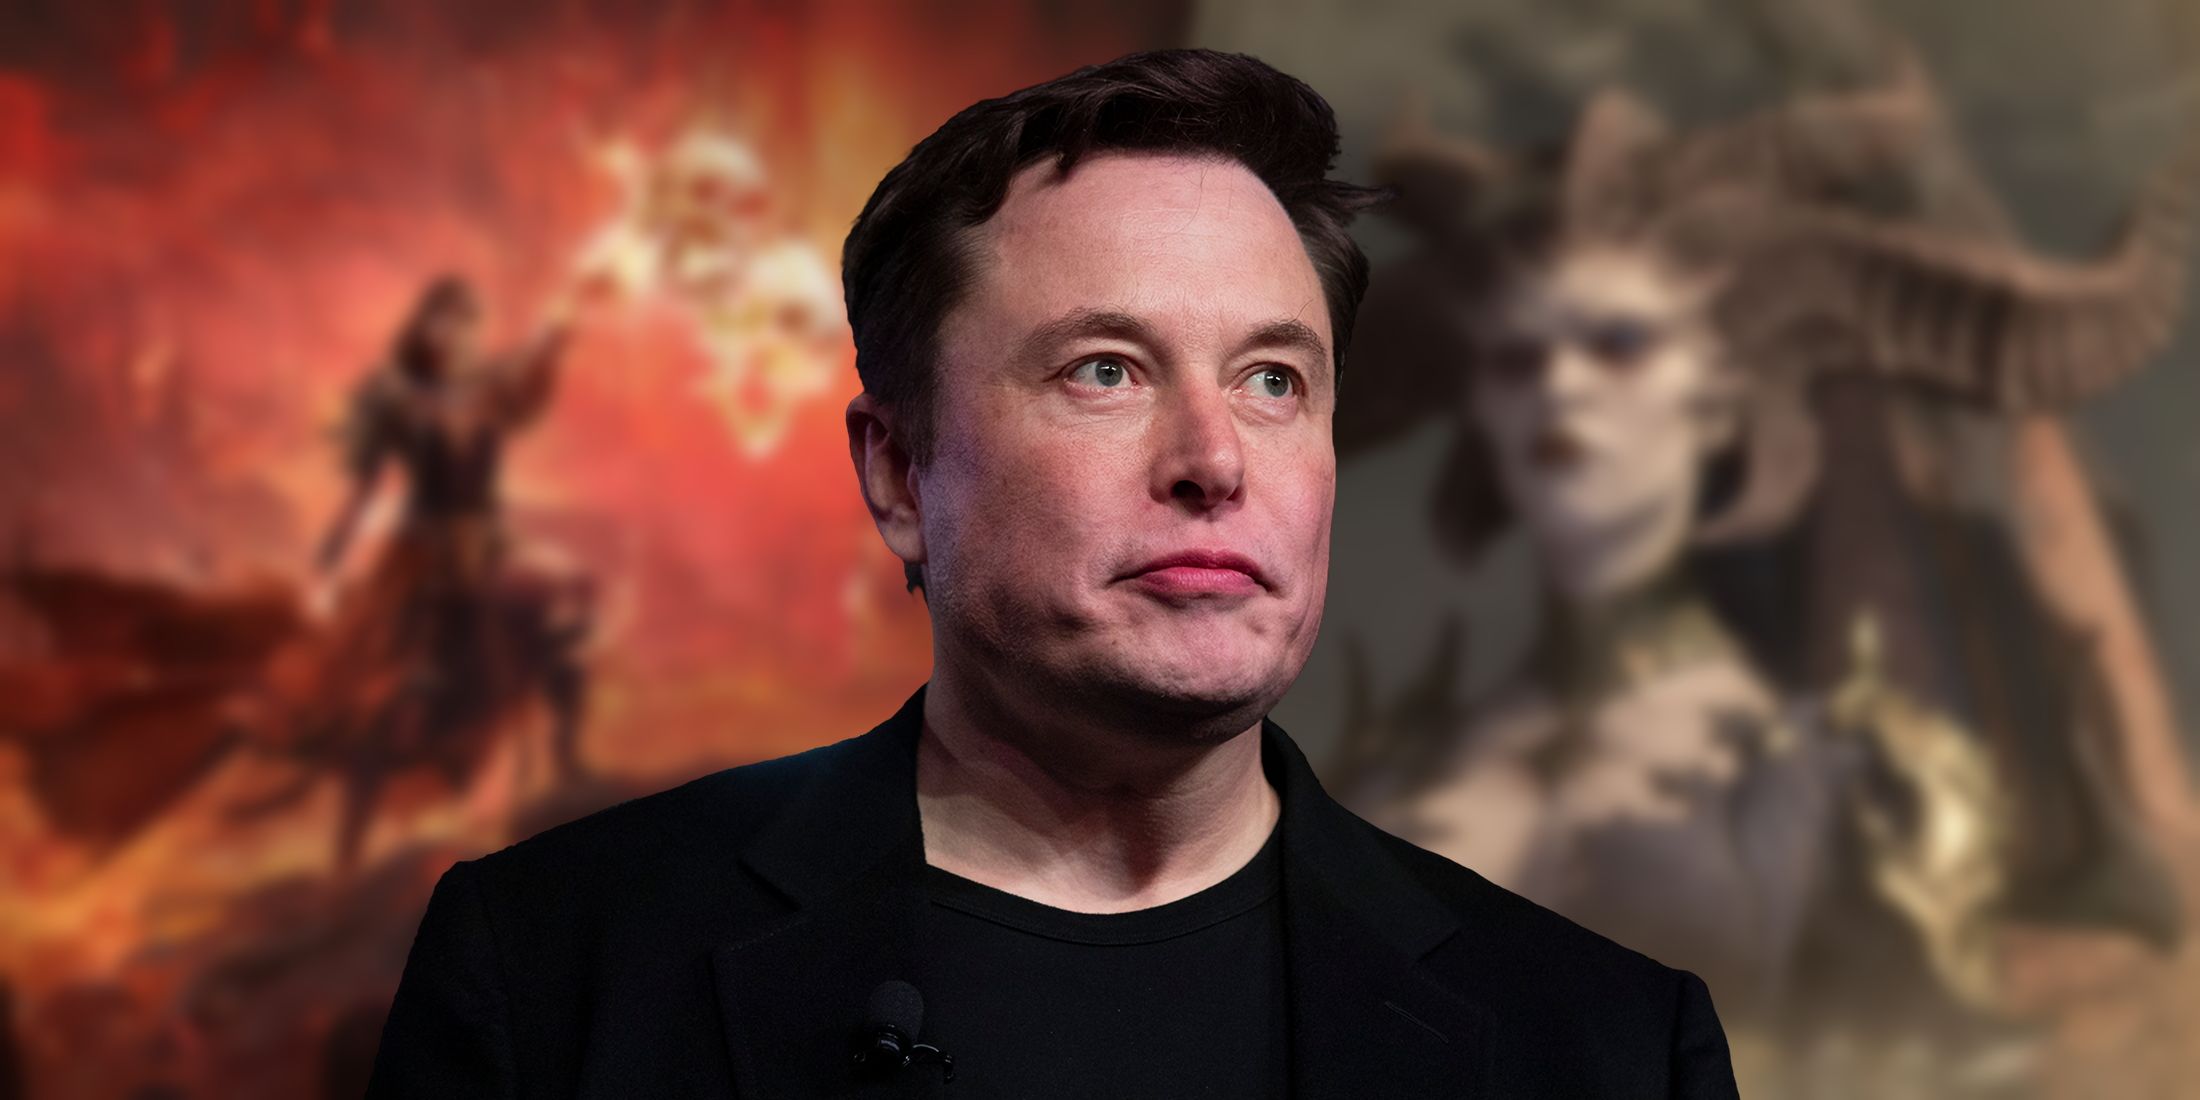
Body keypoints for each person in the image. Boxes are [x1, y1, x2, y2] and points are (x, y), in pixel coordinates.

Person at [367, 49, 1739, 1098]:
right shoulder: (554, 973)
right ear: (899, 474)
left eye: (1273, 379)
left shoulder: (1606, 1046)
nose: (1214, 459)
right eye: (1106, 370)